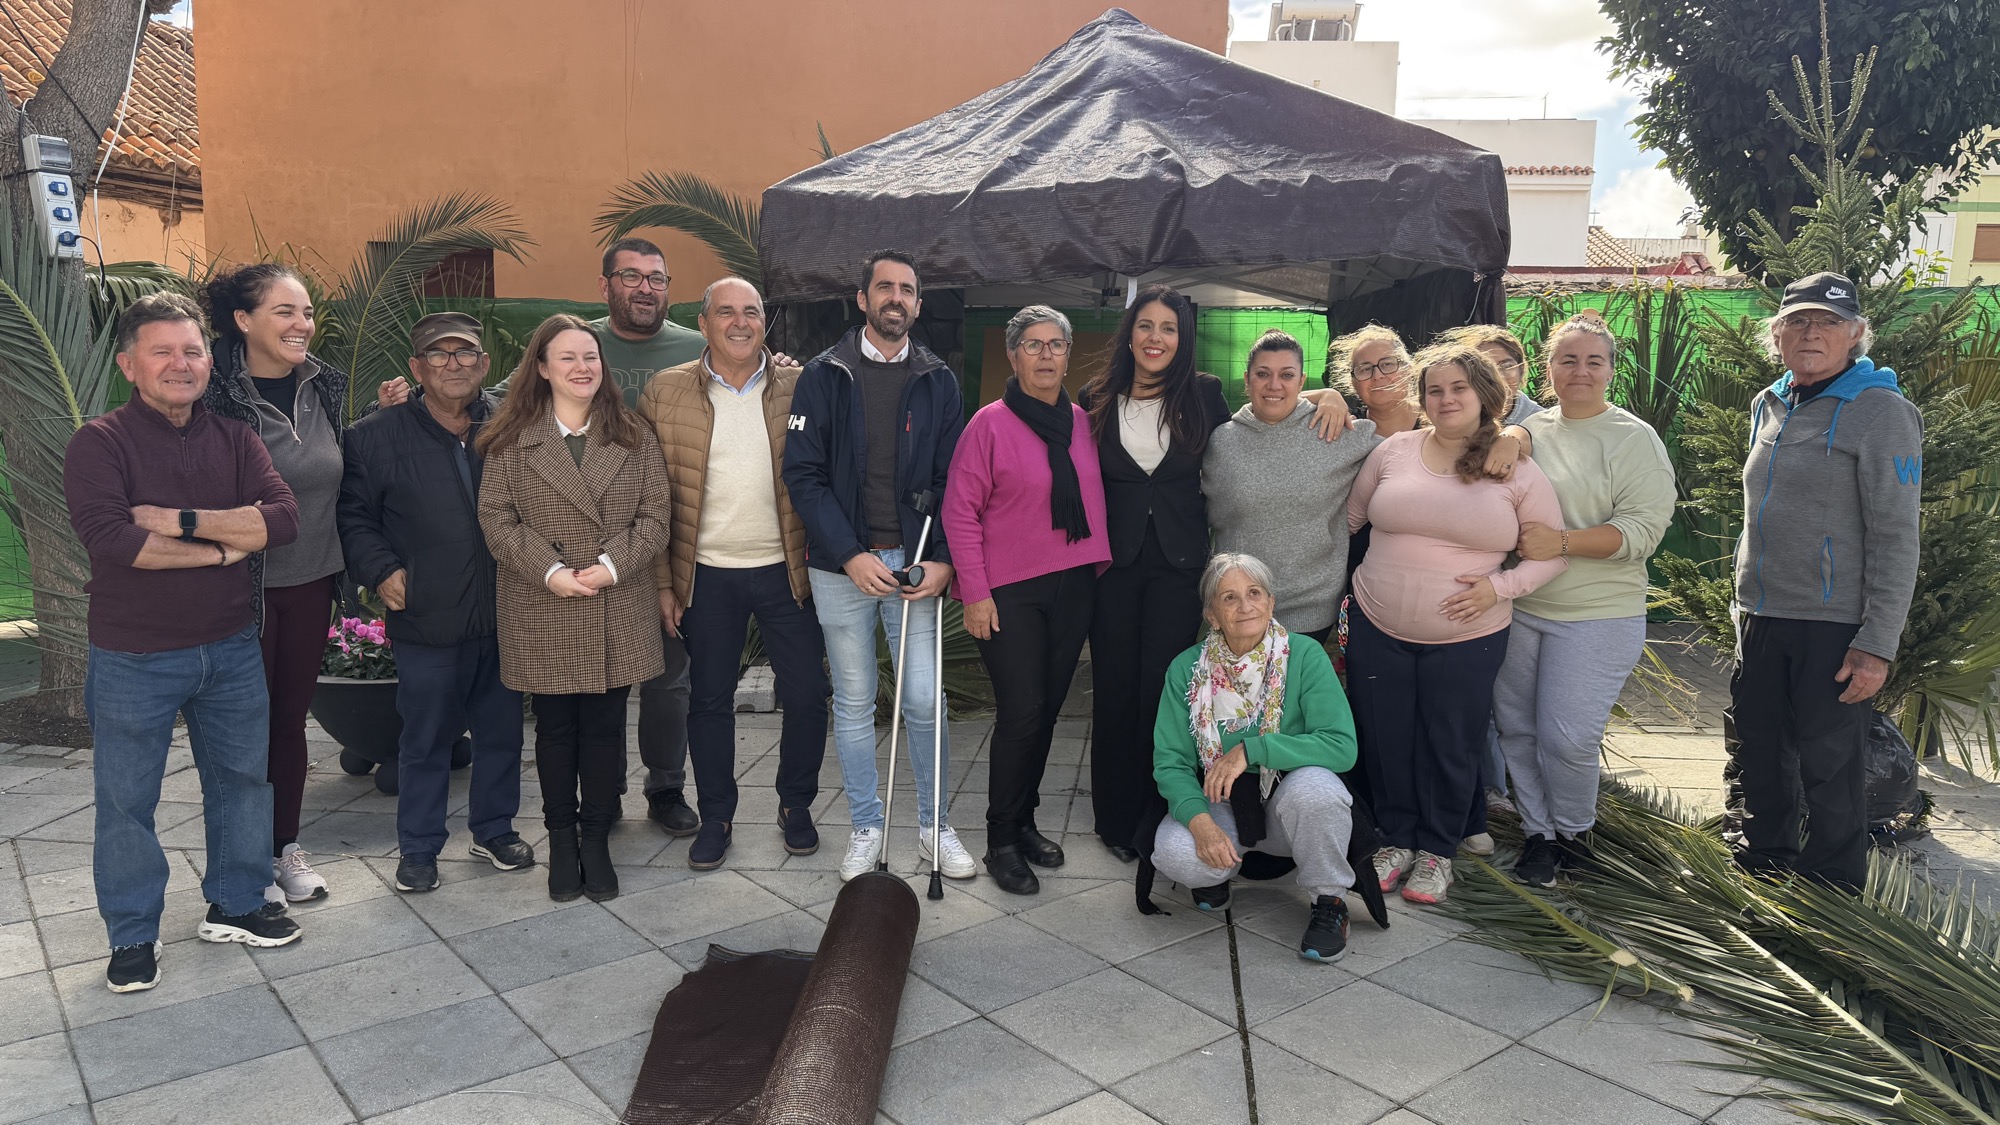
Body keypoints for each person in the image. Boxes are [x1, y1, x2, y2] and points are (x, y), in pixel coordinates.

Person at [378, 237, 703, 839]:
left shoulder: (694, 348)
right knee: (556, 724)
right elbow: (495, 417)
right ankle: (568, 819)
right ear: (606, 284)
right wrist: (414, 401)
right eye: (631, 276)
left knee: (658, 689)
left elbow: (659, 508)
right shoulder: (551, 370)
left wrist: (782, 366)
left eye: (656, 277)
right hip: (544, 587)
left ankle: (661, 789)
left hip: (632, 569)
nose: (645, 287)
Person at [65, 293, 305, 993]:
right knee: (126, 800)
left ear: (208, 362)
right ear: (128, 365)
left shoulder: (235, 438)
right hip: (133, 655)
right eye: (163, 351)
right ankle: (133, 932)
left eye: (192, 351)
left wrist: (180, 520)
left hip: (230, 646)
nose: (181, 364)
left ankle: (236, 902)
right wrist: (226, 548)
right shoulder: (100, 443)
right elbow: (115, 540)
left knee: (241, 783)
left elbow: (283, 519)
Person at [1345, 345, 1567, 906]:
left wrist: (1499, 588)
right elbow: (1348, 521)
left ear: (1485, 395)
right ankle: (1396, 839)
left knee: (1450, 741)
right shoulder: (1392, 452)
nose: (1446, 399)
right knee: (1386, 737)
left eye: (1458, 388)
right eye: (1435, 390)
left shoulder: (1514, 468)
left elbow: (1552, 556)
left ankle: (1438, 850)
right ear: (1421, 399)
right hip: (1376, 624)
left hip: (1469, 636)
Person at [782, 249, 976, 882]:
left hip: (916, 565)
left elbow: (954, 481)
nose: (897, 298)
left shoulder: (939, 380)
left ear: (918, 303)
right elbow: (803, 474)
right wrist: (849, 553)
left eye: (908, 290)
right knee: (855, 699)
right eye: (885, 287)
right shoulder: (823, 374)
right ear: (862, 298)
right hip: (842, 566)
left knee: (923, 699)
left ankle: (934, 826)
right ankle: (867, 825)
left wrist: (943, 560)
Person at [1727, 272, 1921, 892]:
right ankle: (1764, 872)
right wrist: (1741, 606)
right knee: (1761, 755)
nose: (1812, 332)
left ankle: (1831, 895)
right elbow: (1757, 514)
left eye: (1829, 322)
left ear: (1855, 334)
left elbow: (1896, 535)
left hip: (1834, 626)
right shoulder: (1769, 402)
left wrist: (1877, 643)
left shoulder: (1882, 413)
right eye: (1799, 321)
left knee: (1829, 769)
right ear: (1778, 335)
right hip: (1762, 616)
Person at [476, 314, 672, 902]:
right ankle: (562, 840)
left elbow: (655, 517)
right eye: (567, 357)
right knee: (556, 730)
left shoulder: (633, 434)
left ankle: (596, 838)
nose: (583, 367)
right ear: (541, 368)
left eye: (591, 356)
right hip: (543, 602)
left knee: (606, 729)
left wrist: (612, 565)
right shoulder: (512, 439)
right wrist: (550, 571)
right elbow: (497, 518)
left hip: (616, 599)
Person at [337, 312, 534, 894]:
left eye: (465, 352)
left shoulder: (515, 426)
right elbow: (354, 517)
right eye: (439, 354)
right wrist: (381, 569)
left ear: (485, 364)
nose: (454, 364)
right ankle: (419, 848)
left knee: (502, 732)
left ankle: (494, 829)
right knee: (424, 738)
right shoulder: (374, 436)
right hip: (426, 612)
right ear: (417, 368)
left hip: (506, 610)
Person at [638, 278, 828, 871]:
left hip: (787, 571)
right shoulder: (665, 391)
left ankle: (796, 804)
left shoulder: (802, 385)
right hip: (706, 575)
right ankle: (717, 815)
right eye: (726, 312)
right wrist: (663, 583)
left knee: (808, 694)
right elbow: (648, 495)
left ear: (765, 323)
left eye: (752, 312)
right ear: (703, 324)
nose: (740, 322)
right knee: (709, 701)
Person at [1491, 313, 1675, 886]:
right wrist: (1515, 435)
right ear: (1548, 369)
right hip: (1521, 610)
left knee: (1567, 738)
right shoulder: (1530, 431)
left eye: (1594, 361)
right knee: (1517, 730)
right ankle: (1538, 833)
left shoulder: (1634, 438)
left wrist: (1562, 542)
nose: (1580, 371)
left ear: (1611, 371)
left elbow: (1643, 531)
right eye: (1568, 359)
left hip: (1598, 615)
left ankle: (1575, 834)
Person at [943, 306, 1111, 894]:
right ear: (1013, 356)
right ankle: (1001, 841)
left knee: (1048, 710)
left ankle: (1025, 821)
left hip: (1074, 585)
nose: (1045, 355)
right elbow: (959, 511)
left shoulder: (1085, 423)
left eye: (1056, 344)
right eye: (1033, 345)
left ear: (1068, 354)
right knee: (1022, 711)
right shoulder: (988, 425)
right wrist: (975, 592)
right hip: (1009, 591)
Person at [199, 264, 345, 907]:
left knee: (288, 723)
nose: (301, 324)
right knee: (241, 729)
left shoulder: (325, 384)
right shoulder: (212, 394)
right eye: (285, 311)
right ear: (243, 320)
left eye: (306, 312)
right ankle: (244, 860)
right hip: (240, 587)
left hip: (312, 581)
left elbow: (339, 463)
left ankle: (283, 849)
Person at [1080, 285, 1230, 864]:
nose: (1156, 337)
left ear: (1183, 338)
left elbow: (1263, 418)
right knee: (1115, 689)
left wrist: (1328, 395)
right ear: (1129, 334)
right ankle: (1115, 821)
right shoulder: (1095, 396)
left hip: (1178, 567)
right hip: (1112, 568)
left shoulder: (1205, 394)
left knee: (1164, 690)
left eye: (1169, 328)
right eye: (1146, 325)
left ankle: (1158, 813)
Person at [1150, 553, 1359, 961]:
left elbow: (1340, 745)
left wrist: (1253, 749)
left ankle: (1330, 901)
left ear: (1271, 602)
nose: (1245, 606)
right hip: (1222, 803)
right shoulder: (1187, 669)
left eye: (1254, 593)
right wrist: (1201, 824)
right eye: (1229, 598)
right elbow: (1171, 761)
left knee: (1319, 790)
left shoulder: (1304, 655)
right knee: (1177, 852)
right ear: (1212, 615)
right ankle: (1218, 870)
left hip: (1288, 802)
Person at [1205, 329, 1381, 642]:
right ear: (1247, 380)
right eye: (1263, 374)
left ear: (1301, 382)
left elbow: (1406, 450)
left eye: (1286, 375)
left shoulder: (1332, 429)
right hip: (1239, 609)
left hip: (1310, 609)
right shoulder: (1221, 441)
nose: (1274, 385)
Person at [1441, 323, 1543, 426]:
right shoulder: (1450, 416)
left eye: (1506, 366)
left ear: (1521, 370)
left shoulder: (1540, 424)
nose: (1498, 376)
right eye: (1485, 368)